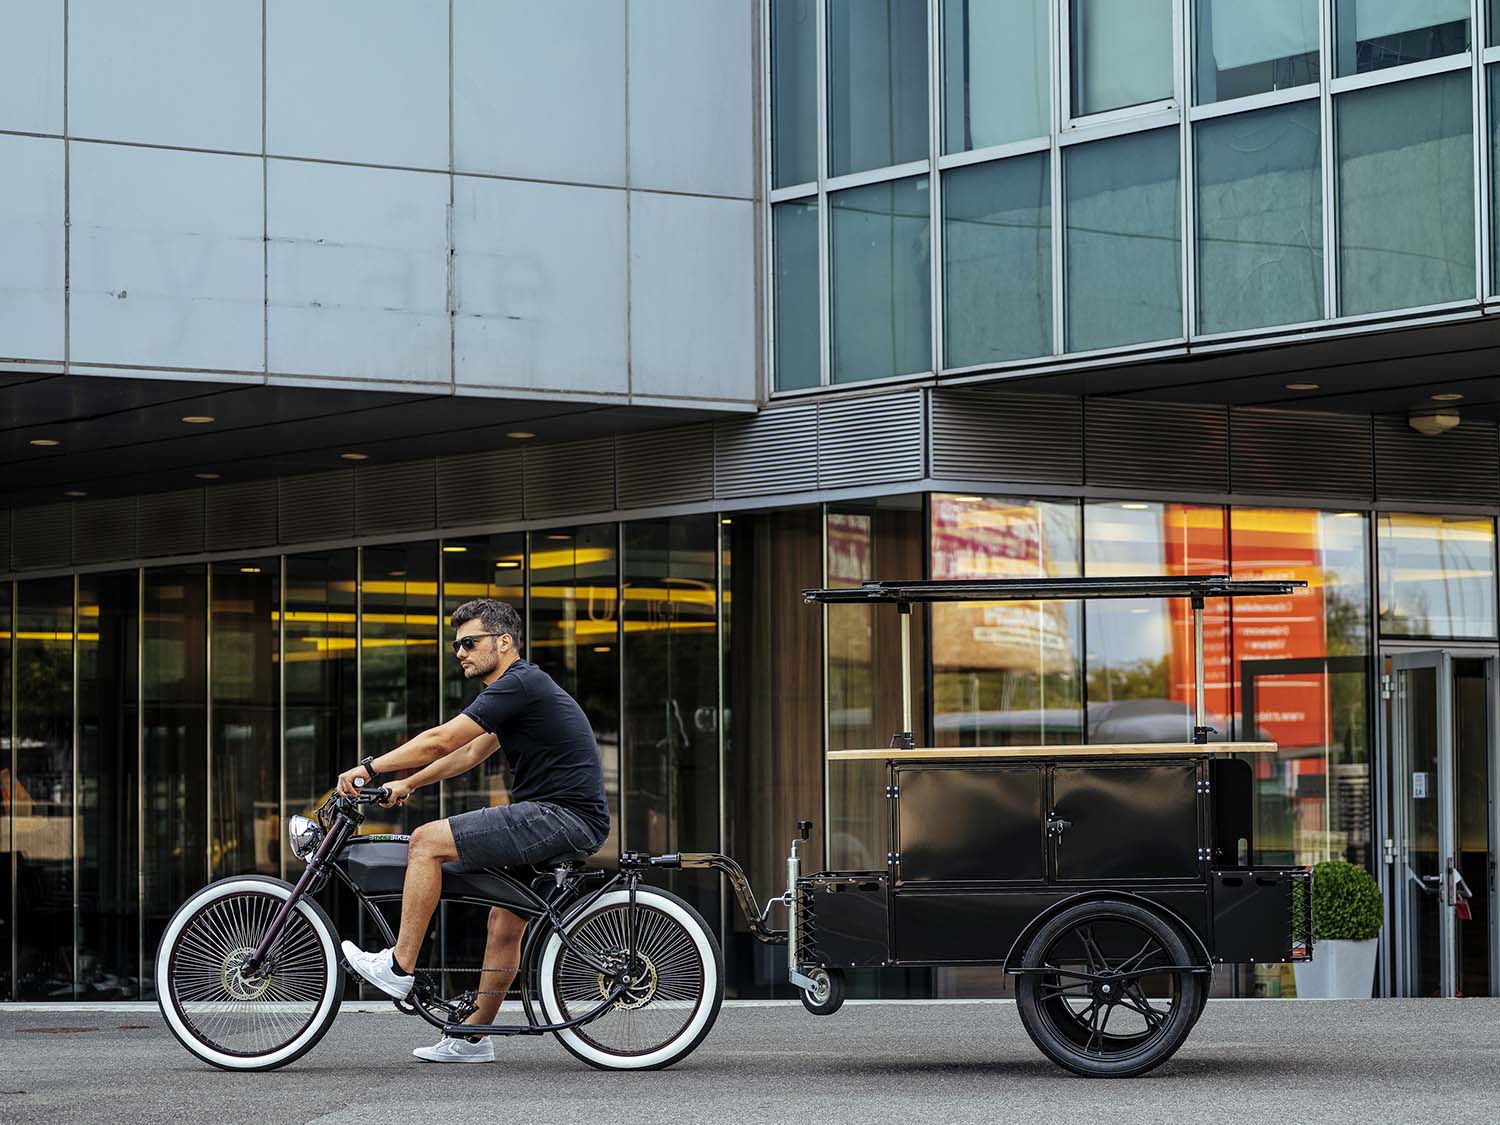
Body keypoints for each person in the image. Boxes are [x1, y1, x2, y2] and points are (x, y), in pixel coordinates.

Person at [337, 598, 610, 1063]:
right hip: (567, 818)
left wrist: (370, 767)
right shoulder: (521, 692)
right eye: (456, 646)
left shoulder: (519, 682)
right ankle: (472, 1038)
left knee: (425, 842)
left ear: (504, 642)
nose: (460, 653)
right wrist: (406, 783)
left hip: (558, 815)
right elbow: (468, 754)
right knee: (504, 919)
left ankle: (399, 964)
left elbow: (443, 738)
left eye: (469, 642)